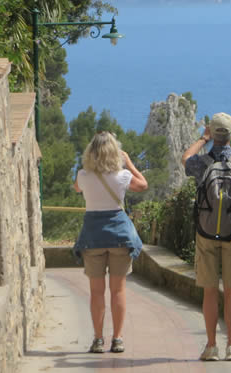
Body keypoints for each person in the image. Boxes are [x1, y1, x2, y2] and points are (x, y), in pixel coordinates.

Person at [181, 112, 231, 361]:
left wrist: (203, 139)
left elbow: (185, 158)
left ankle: (211, 346)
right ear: (230, 133)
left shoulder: (202, 163)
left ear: (213, 133)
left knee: (210, 291)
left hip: (206, 232)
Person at [73, 131, 148, 354]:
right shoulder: (122, 175)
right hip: (119, 238)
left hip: (93, 237)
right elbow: (143, 185)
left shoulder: (83, 175)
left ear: (91, 152)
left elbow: (77, 188)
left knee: (96, 292)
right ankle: (117, 339)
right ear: (115, 152)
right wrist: (130, 164)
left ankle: (97, 340)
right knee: (118, 291)